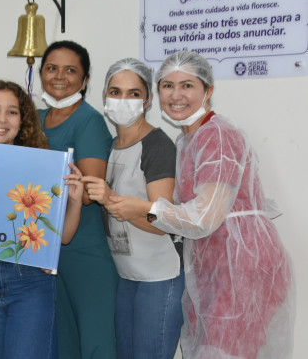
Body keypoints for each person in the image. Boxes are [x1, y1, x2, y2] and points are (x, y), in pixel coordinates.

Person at [96, 51, 295, 358]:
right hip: (213, 262)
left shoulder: (218, 136)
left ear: (208, 90)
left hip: (239, 264)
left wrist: (145, 208)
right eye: (168, 85)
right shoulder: (189, 139)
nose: (176, 95)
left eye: (187, 85)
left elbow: (204, 217)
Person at [0, 80, 85, 359]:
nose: (2, 119)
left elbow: (64, 237)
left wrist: (75, 201)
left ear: (22, 122)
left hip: (30, 284)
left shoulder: (42, 166)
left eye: (12, 112)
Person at [82, 58, 183, 359]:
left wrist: (111, 200)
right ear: (104, 96)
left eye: (133, 93)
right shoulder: (112, 146)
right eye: (115, 92)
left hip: (160, 276)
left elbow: (163, 223)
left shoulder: (157, 146)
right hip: (127, 277)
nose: (123, 100)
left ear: (148, 100)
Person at [37, 41, 117, 358]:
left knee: (96, 344)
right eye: (51, 68)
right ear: (41, 74)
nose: (60, 76)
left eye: (71, 70)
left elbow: (87, 194)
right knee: (63, 345)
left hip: (84, 254)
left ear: (85, 81)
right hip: (47, 254)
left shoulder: (89, 121)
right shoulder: (34, 119)